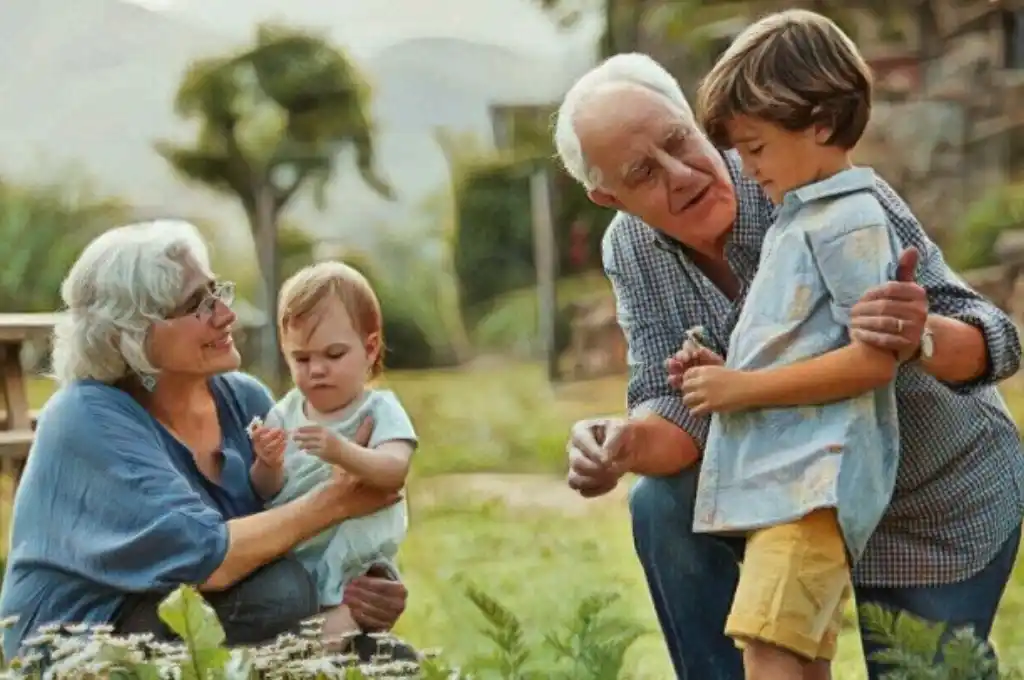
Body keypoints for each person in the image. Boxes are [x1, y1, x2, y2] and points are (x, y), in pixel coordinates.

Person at [553, 51, 1023, 680]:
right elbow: (676, 411)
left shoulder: (813, 175)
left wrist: (919, 334)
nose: (682, 173)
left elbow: (996, 339)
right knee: (659, 504)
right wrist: (624, 443)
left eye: (678, 141)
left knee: (925, 671)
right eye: (644, 172)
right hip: (789, 492)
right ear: (608, 196)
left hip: (928, 488)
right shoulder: (631, 247)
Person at [0, 220, 410, 661]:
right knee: (281, 592)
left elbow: (293, 523)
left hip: (207, 620)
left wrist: (365, 585)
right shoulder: (85, 417)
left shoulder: (243, 398)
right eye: (198, 304)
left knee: (389, 659)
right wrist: (340, 499)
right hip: (82, 644)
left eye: (217, 293)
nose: (226, 314)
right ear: (132, 333)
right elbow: (208, 561)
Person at [667, 11, 904, 679]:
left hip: (814, 484)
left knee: (768, 650)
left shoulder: (848, 219)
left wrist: (742, 389)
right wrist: (725, 371)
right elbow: (804, 346)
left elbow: (873, 358)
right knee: (791, 653)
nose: (746, 168)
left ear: (821, 122)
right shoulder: (800, 217)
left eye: (757, 147)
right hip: (788, 485)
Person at [249, 261, 417, 656]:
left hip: (356, 560)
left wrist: (343, 451)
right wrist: (268, 463)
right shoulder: (285, 411)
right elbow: (264, 490)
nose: (317, 370)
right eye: (301, 359)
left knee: (334, 634)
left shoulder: (378, 410)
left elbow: (395, 470)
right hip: (299, 552)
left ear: (370, 348)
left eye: (334, 354)